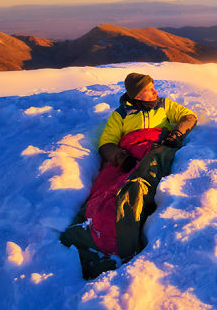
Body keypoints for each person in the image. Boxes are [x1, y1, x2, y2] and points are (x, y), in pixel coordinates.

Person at [61, 72, 197, 279]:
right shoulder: (120, 115)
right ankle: (100, 234)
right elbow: (107, 143)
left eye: (153, 87)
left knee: (139, 183)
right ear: (137, 95)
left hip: (156, 148)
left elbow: (188, 117)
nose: (155, 91)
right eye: (148, 90)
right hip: (128, 155)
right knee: (107, 191)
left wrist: (176, 134)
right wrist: (121, 158)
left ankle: (125, 230)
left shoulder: (165, 105)